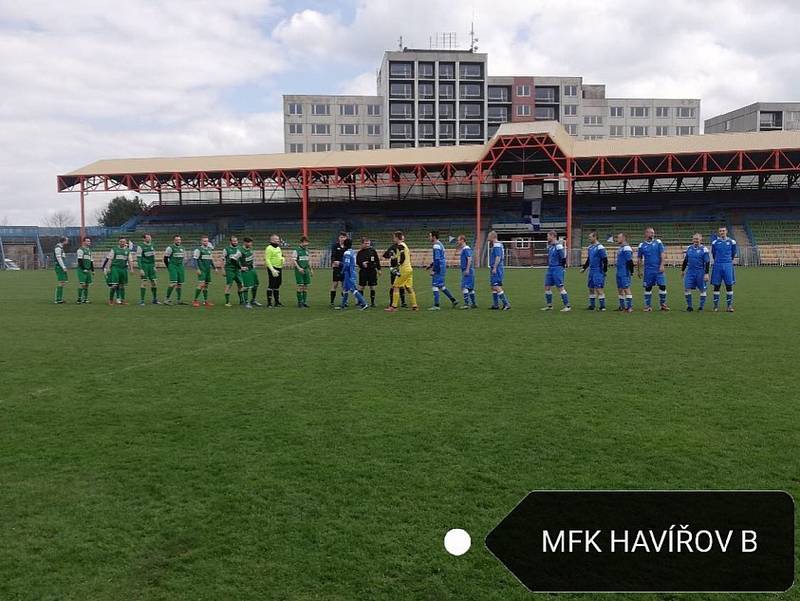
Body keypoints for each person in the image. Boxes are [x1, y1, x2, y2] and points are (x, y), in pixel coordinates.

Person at [384, 231, 419, 312]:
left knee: (395, 286)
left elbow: (402, 257)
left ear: (396, 237)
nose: (393, 239)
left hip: (404, 269)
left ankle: (394, 307)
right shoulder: (405, 245)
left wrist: (398, 265)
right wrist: (395, 257)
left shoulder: (400, 246)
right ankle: (415, 306)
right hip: (409, 269)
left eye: (394, 237)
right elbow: (404, 256)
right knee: (408, 287)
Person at [637, 227, 669, 312]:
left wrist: (662, 265)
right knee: (648, 288)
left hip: (658, 269)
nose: (653, 234)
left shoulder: (658, 242)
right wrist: (639, 270)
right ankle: (648, 306)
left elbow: (662, 254)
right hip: (648, 271)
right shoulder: (641, 245)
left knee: (662, 286)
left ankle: (663, 305)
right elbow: (639, 258)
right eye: (651, 232)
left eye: (653, 232)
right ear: (646, 233)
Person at [427, 230, 458, 310]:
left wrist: (434, 270)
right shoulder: (440, 244)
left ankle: (436, 305)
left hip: (439, 267)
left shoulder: (436, 245)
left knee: (434, 285)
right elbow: (439, 258)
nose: (429, 238)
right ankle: (453, 300)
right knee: (441, 286)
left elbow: (437, 259)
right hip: (442, 267)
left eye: (430, 236)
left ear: (434, 237)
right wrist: (431, 265)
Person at [542, 229, 571, 312]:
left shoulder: (559, 246)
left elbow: (563, 258)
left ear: (552, 236)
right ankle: (549, 306)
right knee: (547, 286)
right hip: (550, 268)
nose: (547, 237)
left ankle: (567, 306)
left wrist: (562, 268)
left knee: (560, 287)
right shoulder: (550, 246)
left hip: (557, 268)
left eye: (548, 236)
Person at [681, 233, 711, 312]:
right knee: (686, 288)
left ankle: (701, 307)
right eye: (694, 239)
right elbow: (686, 260)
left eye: (697, 239)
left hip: (700, 272)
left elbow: (707, 262)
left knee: (702, 290)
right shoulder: (689, 248)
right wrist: (683, 270)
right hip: (690, 272)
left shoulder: (704, 249)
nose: (696, 240)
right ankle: (689, 307)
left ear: (701, 240)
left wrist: (706, 273)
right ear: (692, 240)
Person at [336, 238, 368, 310]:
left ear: (344, 245)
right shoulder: (352, 252)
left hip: (349, 273)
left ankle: (364, 304)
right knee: (345, 290)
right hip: (351, 271)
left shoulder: (347, 253)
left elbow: (347, 264)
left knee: (353, 289)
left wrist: (341, 271)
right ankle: (343, 305)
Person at [711, 226, 737, 312]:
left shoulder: (732, 242)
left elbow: (733, 253)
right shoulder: (715, 242)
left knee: (729, 285)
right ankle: (715, 306)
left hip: (728, 265)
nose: (722, 232)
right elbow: (713, 253)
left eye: (723, 231)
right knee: (716, 286)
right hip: (717, 265)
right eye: (720, 231)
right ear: (719, 232)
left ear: (727, 231)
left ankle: (729, 306)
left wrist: (728, 260)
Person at [581, 231, 608, 311]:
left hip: (598, 270)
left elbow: (605, 259)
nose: (589, 238)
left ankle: (602, 306)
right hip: (591, 271)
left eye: (590, 237)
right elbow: (589, 259)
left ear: (595, 237)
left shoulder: (600, 247)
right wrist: (584, 268)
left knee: (598, 288)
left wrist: (604, 270)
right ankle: (592, 306)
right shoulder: (590, 247)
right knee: (591, 288)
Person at [105, 237, 132, 305]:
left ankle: (122, 300)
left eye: (124, 242)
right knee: (114, 285)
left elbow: (129, 260)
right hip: (115, 268)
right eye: (121, 241)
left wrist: (131, 269)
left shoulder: (128, 251)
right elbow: (110, 259)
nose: (122, 243)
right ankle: (111, 300)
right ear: (119, 242)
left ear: (126, 243)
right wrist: (108, 268)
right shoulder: (114, 249)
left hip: (123, 269)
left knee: (122, 285)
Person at [487, 231, 510, 310]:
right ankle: (496, 305)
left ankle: (506, 304)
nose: (488, 237)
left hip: (497, 268)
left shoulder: (496, 245)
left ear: (493, 237)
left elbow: (498, 257)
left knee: (496, 286)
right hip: (496, 267)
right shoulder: (497, 244)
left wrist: (495, 267)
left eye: (489, 236)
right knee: (493, 287)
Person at [192, 235, 216, 307]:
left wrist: (214, 268)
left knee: (206, 285)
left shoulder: (209, 249)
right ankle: (195, 300)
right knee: (201, 285)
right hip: (202, 270)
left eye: (207, 241)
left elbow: (210, 259)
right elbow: (195, 260)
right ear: (201, 241)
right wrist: (197, 269)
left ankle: (205, 301)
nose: (206, 242)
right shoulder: (198, 250)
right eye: (204, 241)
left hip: (208, 270)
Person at [356, 238, 381, 307]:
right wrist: (362, 263)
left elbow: (377, 260)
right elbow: (357, 261)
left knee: (372, 286)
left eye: (368, 243)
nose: (367, 245)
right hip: (363, 271)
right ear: (362, 244)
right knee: (361, 286)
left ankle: (372, 302)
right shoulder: (360, 252)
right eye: (366, 243)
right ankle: (360, 301)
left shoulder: (373, 251)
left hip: (372, 270)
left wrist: (379, 269)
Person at [136, 233, 159, 305]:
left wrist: (154, 266)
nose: (149, 238)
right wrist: (141, 269)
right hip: (144, 265)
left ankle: (155, 299)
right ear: (144, 239)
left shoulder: (152, 245)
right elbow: (138, 258)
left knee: (154, 282)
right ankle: (142, 300)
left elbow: (153, 257)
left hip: (151, 266)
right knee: (144, 282)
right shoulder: (140, 246)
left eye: (150, 237)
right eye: (148, 237)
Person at [163, 235, 187, 305]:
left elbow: (183, 258)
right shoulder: (170, 248)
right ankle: (166, 299)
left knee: (179, 284)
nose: (178, 241)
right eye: (177, 240)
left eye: (179, 240)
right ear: (174, 240)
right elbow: (165, 258)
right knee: (173, 283)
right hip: (173, 266)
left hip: (180, 267)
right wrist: (169, 267)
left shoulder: (182, 248)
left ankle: (179, 300)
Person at [382, 242, 406, 308]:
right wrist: (391, 256)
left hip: (400, 268)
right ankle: (392, 302)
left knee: (401, 285)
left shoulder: (402, 246)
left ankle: (403, 302)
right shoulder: (392, 247)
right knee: (394, 285)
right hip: (394, 268)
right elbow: (385, 255)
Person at [291, 235, 313, 308]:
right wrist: (299, 268)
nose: (307, 244)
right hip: (299, 271)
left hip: (306, 270)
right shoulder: (296, 250)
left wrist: (311, 269)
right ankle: (299, 302)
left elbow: (308, 260)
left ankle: (304, 302)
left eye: (307, 242)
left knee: (305, 286)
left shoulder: (307, 251)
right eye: (306, 242)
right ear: (302, 242)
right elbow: (294, 261)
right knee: (300, 286)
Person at [222, 236, 243, 307]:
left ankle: (241, 301)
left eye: (236, 241)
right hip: (229, 269)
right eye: (234, 241)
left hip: (237, 269)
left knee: (240, 284)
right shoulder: (226, 249)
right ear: (230, 241)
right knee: (229, 285)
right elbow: (223, 260)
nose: (235, 242)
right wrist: (223, 270)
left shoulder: (239, 248)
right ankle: (227, 302)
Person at [615, 233, 634, 313]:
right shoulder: (621, 248)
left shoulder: (626, 248)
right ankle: (622, 306)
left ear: (623, 238)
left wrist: (631, 271)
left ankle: (629, 307)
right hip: (619, 271)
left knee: (626, 289)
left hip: (624, 272)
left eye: (618, 237)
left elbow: (629, 261)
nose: (617, 239)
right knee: (620, 289)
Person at [457, 235, 477, 309]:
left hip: (467, 270)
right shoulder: (464, 249)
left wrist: (467, 269)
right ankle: (474, 303)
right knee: (470, 288)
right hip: (467, 270)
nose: (457, 241)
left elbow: (469, 259)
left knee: (464, 287)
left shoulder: (466, 249)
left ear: (462, 240)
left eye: (458, 240)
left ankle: (466, 304)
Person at [265, 234, 284, 307]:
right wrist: (272, 270)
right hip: (272, 268)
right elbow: (267, 259)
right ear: (272, 240)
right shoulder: (269, 248)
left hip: (279, 267)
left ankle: (277, 302)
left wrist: (283, 259)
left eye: (278, 239)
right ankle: (269, 303)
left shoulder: (278, 248)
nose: (278, 240)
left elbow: (281, 256)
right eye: (276, 239)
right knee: (272, 284)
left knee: (278, 284)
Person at [330, 231, 348, 307]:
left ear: (346, 238)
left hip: (345, 267)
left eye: (344, 237)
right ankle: (332, 301)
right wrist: (333, 262)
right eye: (341, 237)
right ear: (339, 238)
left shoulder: (347, 247)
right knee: (335, 284)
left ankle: (344, 302)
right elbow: (333, 255)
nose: (342, 239)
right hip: (337, 267)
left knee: (344, 285)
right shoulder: (335, 245)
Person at [238, 237, 257, 309]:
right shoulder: (240, 251)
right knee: (246, 286)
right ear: (245, 242)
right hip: (245, 271)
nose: (250, 244)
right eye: (249, 242)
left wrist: (254, 265)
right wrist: (240, 267)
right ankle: (246, 302)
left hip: (252, 270)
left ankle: (253, 300)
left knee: (256, 284)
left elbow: (252, 258)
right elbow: (233, 259)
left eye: (251, 242)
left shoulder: (251, 249)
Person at [75, 236, 93, 304]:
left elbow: (91, 260)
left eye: (89, 241)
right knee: (82, 284)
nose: (89, 242)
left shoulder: (89, 250)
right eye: (88, 241)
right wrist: (83, 269)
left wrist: (92, 270)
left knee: (87, 284)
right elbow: (79, 260)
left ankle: (85, 299)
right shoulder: (80, 250)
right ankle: (79, 299)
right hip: (81, 270)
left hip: (88, 270)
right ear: (84, 242)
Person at [53, 236, 69, 304]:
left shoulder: (61, 248)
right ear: (64, 241)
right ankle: (57, 299)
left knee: (63, 282)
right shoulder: (58, 248)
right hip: (59, 267)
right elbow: (59, 258)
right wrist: (63, 267)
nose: (67, 241)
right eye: (67, 240)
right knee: (61, 282)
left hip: (61, 267)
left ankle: (60, 299)